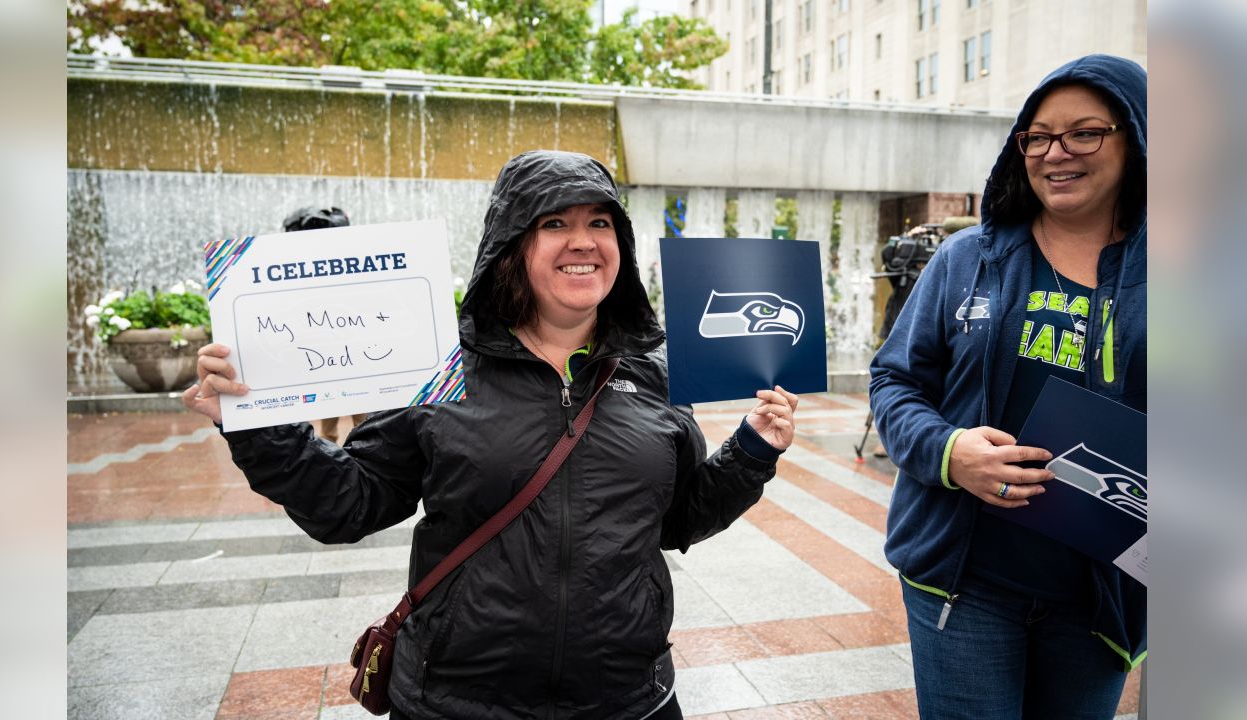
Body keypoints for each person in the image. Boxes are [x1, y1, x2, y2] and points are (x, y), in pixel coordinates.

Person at [183, 150, 798, 719]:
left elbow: (674, 521)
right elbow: (348, 505)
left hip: (627, 701)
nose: (582, 242)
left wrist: (751, 451)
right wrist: (258, 426)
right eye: (554, 223)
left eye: (600, 224)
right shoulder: (438, 368)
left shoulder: (656, 370)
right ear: (512, 243)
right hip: (458, 703)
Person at [869, 55, 1146, 719]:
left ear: (1135, 137)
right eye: (1038, 136)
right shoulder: (968, 259)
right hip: (966, 582)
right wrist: (949, 452)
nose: (1057, 153)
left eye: (1084, 133)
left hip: (1099, 594)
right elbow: (895, 379)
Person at [281, 205, 368, 444]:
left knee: (362, 413)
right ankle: (335, 447)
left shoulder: (350, 258)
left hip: (351, 346)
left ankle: (359, 448)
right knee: (336, 406)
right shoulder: (303, 265)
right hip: (327, 349)